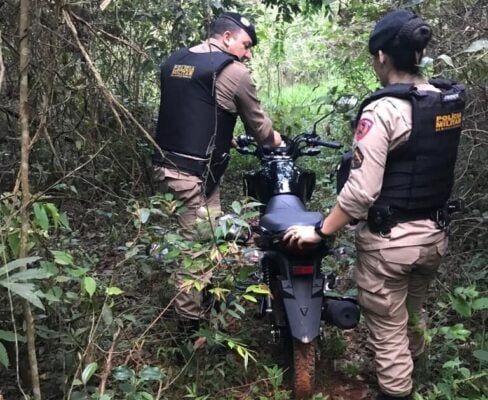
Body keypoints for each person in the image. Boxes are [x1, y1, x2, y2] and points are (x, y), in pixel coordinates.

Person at [283, 9, 465, 400]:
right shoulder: (444, 101)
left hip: (391, 243)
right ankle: (420, 372)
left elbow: (361, 192)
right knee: (412, 314)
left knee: (387, 328)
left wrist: (319, 231)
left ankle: (395, 391)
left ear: (382, 56)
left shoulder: (383, 110)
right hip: (433, 236)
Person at [152, 12, 282, 330]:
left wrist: (228, 138)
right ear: (226, 38)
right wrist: (276, 140)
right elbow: (261, 129)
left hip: (169, 169)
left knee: (203, 239)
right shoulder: (234, 72)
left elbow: (192, 110)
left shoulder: (174, 61)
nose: (248, 53)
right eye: (246, 44)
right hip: (192, 177)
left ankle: (206, 298)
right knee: (194, 252)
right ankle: (189, 329)